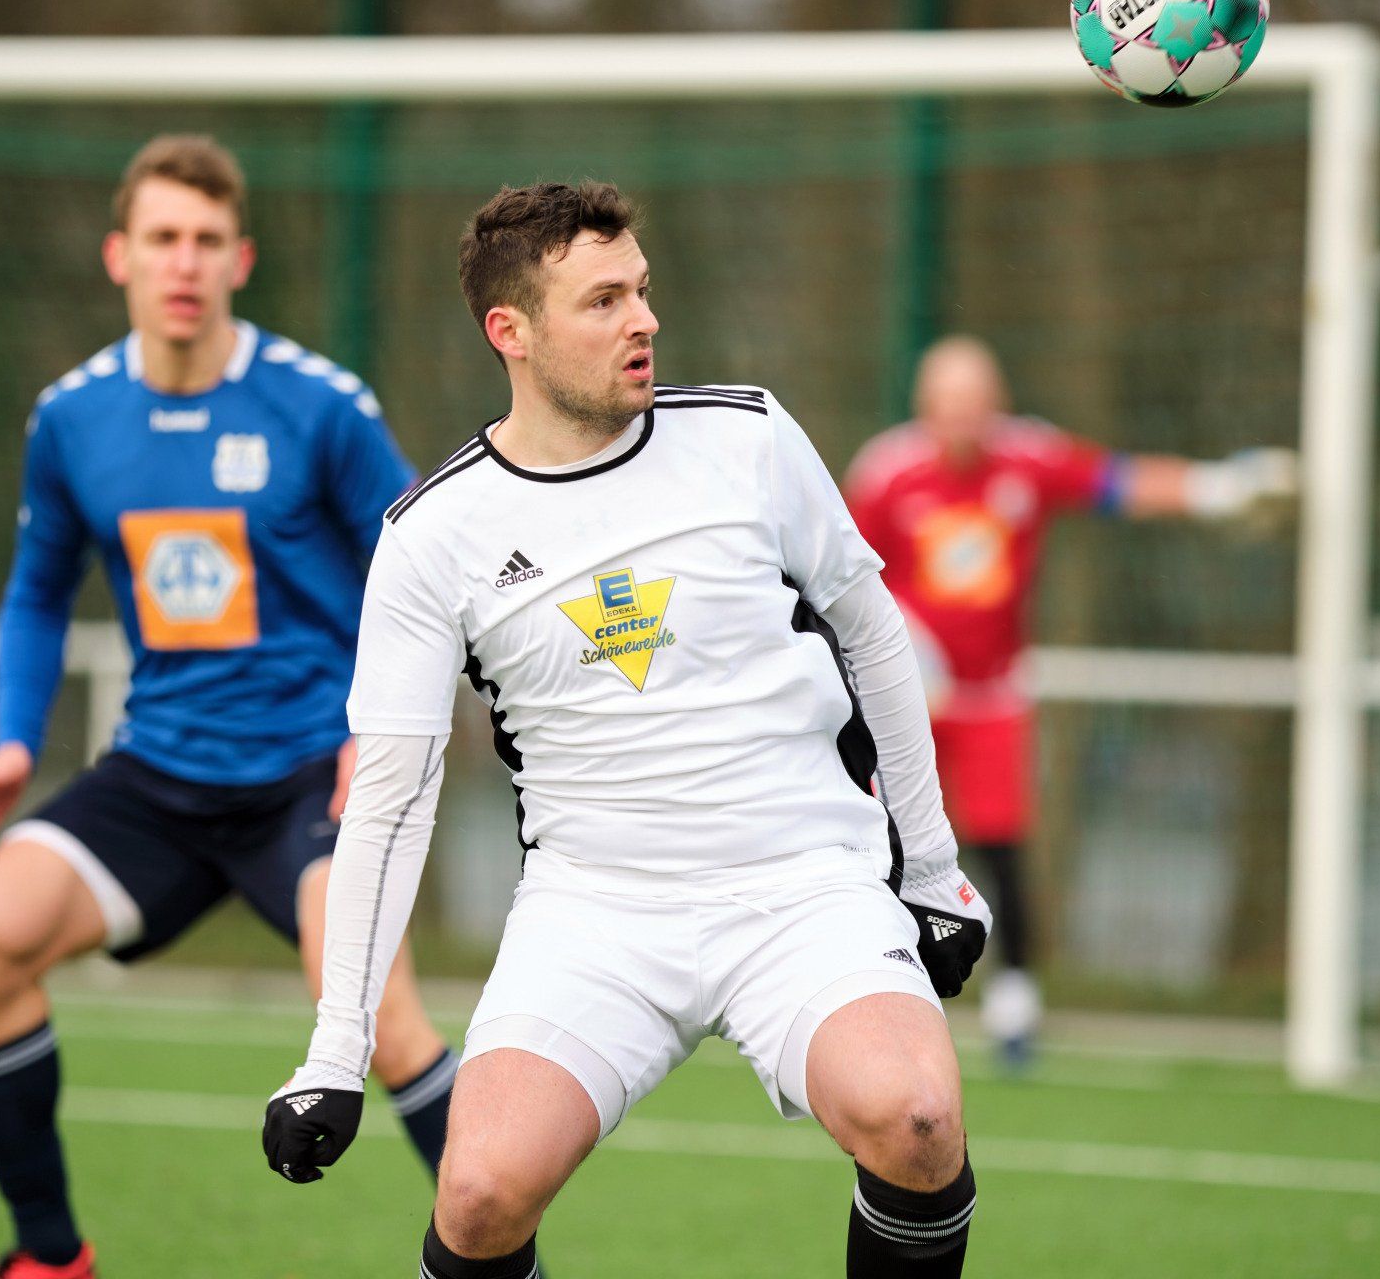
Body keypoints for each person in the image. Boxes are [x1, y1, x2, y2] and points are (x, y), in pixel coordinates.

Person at [260, 180, 993, 1279]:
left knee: (919, 1119)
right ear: (510, 331)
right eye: (603, 301)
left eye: (641, 290)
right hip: (593, 910)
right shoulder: (431, 535)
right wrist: (335, 1049)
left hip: (805, 882)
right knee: (479, 1193)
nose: (643, 320)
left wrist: (930, 868)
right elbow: (390, 797)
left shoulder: (747, 435)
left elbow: (874, 634)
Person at [0, 135, 457, 1279]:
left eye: (207, 240)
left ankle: (507, 1265)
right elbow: (36, 592)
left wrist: (379, 735)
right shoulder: (73, 417)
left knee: (381, 1022)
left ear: (241, 260)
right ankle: (49, 1255)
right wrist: (13, 742)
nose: (185, 261)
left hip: (312, 774)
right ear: (119, 255)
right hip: (159, 776)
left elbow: (428, 575)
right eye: (164, 237)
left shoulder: (319, 407)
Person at [843, 336, 1297, 1068]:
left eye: (975, 401)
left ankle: (1016, 1002)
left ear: (998, 403)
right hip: (907, 700)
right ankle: (870, 988)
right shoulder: (885, 472)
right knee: (883, 844)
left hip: (993, 696)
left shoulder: (1028, 457)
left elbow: (1119, 483)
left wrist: (1218, 490)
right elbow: (844, 578)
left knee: (1001, 844)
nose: (962, 416)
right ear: (924, 406)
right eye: (948, 402)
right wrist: (909, 646)